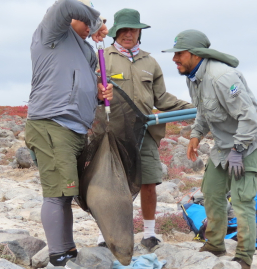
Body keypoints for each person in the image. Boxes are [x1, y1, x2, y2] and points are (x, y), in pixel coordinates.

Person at [162, 29, 257, 269]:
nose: (174, 59)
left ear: (195, 54)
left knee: (242, 199)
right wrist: (196, 134)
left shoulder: (223, 78)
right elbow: (203, 110)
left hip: (250, 140)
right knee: (212, 193)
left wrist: (238, 150)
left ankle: (244, 257)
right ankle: (215, 244)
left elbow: (249, 118)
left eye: (179, 54)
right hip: (225, 143)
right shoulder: (193, 76)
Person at [96, 8, 194, 252]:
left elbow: (161, 98)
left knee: (149, 182)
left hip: (146, 132)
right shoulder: (101, 57)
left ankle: (150, 234)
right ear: (116, 31)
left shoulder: (150, 61)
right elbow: (91, 94)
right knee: (110, 185)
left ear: (140, 32)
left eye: (134, 29)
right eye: (124, 30)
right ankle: (104, 234)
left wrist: (194, 108)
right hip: (113, 133)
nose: (129, 34)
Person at [25, 0, 113, 267]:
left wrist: (98, 95)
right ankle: (58, 256)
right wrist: (97, 22)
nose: (89, 27)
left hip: (75, 129)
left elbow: (80, 86)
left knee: (67, 192)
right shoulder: (51, 32)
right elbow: (65, 5)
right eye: (86, 21)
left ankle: (67, 250)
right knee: (56, 193)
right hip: (51, 124)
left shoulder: (85, 51)